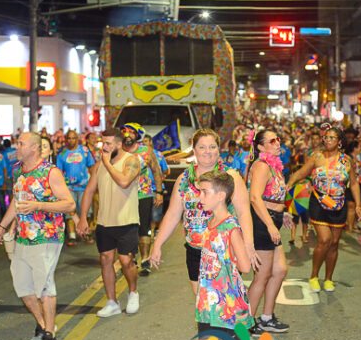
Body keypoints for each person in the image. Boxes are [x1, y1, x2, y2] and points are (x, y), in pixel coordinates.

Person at [170, 171, 253, 340]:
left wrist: (226, 258)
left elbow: (245, 266)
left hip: (224, 302)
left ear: (221, 195)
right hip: (210, 300)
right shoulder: (211, 223)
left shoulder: (230, 227)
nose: (200, 197)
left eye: (205, 192)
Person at [0, 132, 75, 340]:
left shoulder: (50, 172)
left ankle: (49, 335)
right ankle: (43, 324)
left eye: (21, 144)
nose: (17, 147)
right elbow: (16, 202)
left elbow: (69, 204)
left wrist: (39, 205)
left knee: (44, 285)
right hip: (23, 236)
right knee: (23, 286)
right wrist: (2, 226)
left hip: (47, 235)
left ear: (35, 148)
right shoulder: (18, 170)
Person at [149, 128, 258, 295]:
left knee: (224, 302)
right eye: (202, 147)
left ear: (218, 149)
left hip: (224, 250)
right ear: (194, 150)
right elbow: (172, 214)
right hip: (195, 250)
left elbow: (243, 213)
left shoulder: (231, 177)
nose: (208, 152)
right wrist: (157, 244)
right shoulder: (184, 179)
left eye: (212, 147)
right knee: (202, 303)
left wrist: (248, 245)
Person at [288, 126, 361, 293]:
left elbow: (354, 183)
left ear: (339, 141)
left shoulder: (347, 160)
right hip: (318, 203)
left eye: (332, 138)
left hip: (339, 205)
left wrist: (358, 204)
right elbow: (301, 172)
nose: (328, 140)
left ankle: (328, 279)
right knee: (324, 240)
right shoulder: (317, 156)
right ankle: (314, 276)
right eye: (326, 137)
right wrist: (289, 184)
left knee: (334, 243)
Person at [77, 129, 141, 317]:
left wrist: (106, 162)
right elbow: (89, 191)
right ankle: (112, 302)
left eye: (108, 144)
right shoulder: (99, 165)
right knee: (106, 259)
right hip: (104, 221)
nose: (104, 147)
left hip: (127, 220)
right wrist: (83, 218)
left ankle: (133, 292)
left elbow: (124, 182)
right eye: (102, 143)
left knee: (126, 261)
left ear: (119, 144)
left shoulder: (131, 160)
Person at [246, 129, 289, 335]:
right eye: (272, 141)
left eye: (278, 139)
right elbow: (255, 198)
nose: (277, 143)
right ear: (261, 146)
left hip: (272, 219)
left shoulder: (274, 165)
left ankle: (266, 318)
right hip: (263, 223)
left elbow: (272, 195)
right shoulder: (262, 166)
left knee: (279, 270)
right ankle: (244, 323)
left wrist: (283, 213)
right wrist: (271, 225)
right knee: (262, 275)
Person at [120, 123, 163, 276]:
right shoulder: (118, 151)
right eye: (124, 132)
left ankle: (145, 260)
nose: (127, 135)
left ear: (137, 135)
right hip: (123, 196)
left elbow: (156, 171)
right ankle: (130, 258)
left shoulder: (146, 151)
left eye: (131, 132)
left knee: (143, 227)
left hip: (143, 194)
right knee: (127, 228)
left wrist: (159, 192)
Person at [56, 130, 96, 246]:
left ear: (77, 139)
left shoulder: (84, 151)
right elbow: (58, 172)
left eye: (73, 138)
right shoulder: (62, 154)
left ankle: (86, 233)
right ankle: (72, 235)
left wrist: (95, 183)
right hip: (69, 188)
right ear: (66, 139)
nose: (71, 140)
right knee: (70, 212)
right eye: (69, 138)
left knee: (86, 212)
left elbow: (92, 167)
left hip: (84, 187)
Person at [346, 139, 361, 232]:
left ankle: (353, 223)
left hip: (359, 183)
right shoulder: (348, 158)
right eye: (359, 147)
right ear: (354, 148)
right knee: (351, 205)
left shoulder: (359, 158)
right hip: (351, 183)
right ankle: (350, 227)